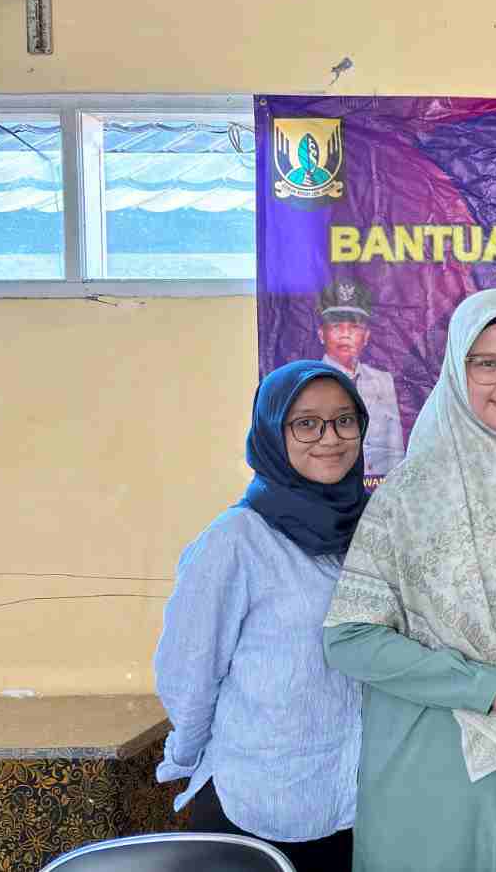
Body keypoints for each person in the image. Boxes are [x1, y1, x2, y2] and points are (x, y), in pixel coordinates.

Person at [322, 289, 496, 872]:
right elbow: (349, 639)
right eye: (486, 363)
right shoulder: (408, 495)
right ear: (457, 369)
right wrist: (491, 686)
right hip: (430, 770)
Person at [155, 360, 370, 872]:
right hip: (257, 801)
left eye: (344, 420)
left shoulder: (373, 531)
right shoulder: (236, 540)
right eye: (306, 423)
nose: (330, 438)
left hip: (356, 805)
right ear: (273, 432)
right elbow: (189, 673)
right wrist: (187, 757)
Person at [316, 275, 404, 477]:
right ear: (321, 334)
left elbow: (395, 449)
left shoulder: (383, 381)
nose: (345, 334)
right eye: (336, 326)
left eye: (354, 327)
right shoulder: (308, 383)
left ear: (366, 337)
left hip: (378, 486)